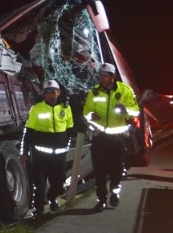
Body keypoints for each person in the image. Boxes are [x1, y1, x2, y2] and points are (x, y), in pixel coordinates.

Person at [83, 62, 139, 212]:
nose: (102, 78)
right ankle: (101, 200)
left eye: (105, 76)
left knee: (118, 170)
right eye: (100, 75)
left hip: (117, 138)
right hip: (100, 138)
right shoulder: (94, 92)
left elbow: (136, 112)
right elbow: (86, 112)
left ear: (113, 76)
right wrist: (90, 115)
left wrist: (125, 110)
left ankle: (115, 191)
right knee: (99, 171)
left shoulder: (125, 91)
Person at [20, 79, 74, 218]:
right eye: (47, 92)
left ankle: (51, 198)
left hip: (59, 156)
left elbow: (69, 130)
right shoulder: (36, 109)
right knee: (40, 184)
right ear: (44, 94)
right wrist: (24, 152)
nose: (50, 95)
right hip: (40, 156)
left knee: (59, 182)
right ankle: (38, 210)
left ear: (59, 92)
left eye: (53, 92)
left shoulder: (66, 108)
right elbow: (28, 132)